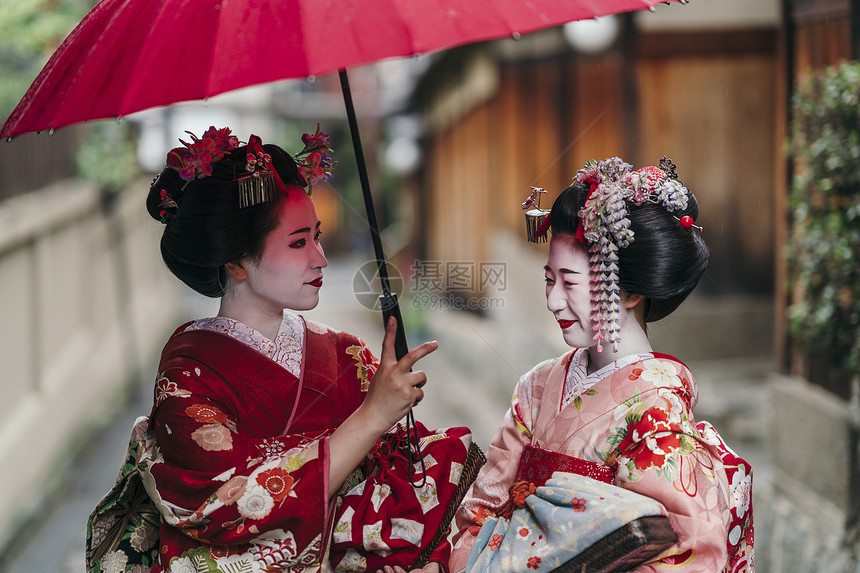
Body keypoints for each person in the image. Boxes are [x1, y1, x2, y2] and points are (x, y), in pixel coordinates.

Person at [137, 126, 445, 573]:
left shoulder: (345, 354)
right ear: (236, 261)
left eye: (317, 237)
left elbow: (403, 480)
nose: (320, 257)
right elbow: (229, 508)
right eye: (299, 242)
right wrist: (372, 417)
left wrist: (398, 413)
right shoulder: (188, 375)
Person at [449, 158, 754, 572]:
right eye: (548, 278)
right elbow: (483, 506)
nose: (553, 300)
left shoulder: (657, 409)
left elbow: (687, 553)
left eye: (570, 282)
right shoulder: (538, 386)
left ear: (629, 293)